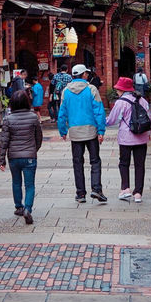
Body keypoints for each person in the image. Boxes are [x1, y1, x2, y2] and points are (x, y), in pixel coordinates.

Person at [57, 63, 107, 204]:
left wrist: (63, 131)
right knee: (95, 161)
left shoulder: (66, 91)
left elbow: (62, 114)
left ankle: (80, 194)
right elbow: (99, 111)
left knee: (77, 163)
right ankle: (96, 189)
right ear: (84, 75)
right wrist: (101, 130)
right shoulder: (92, 89)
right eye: (86, 73)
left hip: (75, 132)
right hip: (91, 131)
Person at [0, 89, 43, 224]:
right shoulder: (33, 117)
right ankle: (28, 208)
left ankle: (19, 207)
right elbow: (39, 137)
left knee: (16, 182)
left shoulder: (8, 119)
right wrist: (34, 150)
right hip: (30, 156)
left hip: (13, 157)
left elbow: (4, 141)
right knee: (30, 185)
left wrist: (1, 159)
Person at [106, 75, 151, 203]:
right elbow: (149, 119)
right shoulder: (142, 100)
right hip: (142, 137)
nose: (116, 91)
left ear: (122, 90)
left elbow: (112, 120)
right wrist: (148, 132)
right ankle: (138, 193)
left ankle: (125, 189)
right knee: (139, 165)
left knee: (124, 163)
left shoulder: (120, 102)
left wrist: (101, 122)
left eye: (118, 89)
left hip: (126, 138)